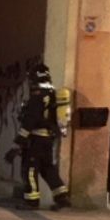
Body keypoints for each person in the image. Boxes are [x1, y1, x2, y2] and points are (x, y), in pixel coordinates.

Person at [13, 63, 72, 211]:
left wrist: (20, 139)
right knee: (47, 168)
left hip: (36, 139)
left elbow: (31, 119)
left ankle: (31, 201)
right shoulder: (52, 93)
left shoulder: (38, 95)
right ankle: (62, 197)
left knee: (30, 169)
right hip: (48, 139)